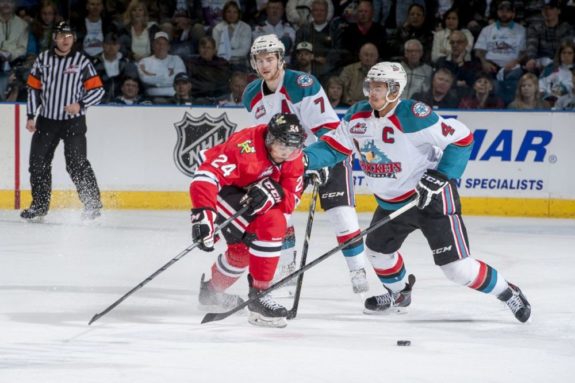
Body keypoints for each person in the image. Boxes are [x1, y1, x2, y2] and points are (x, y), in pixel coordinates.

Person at [303, 61, 531, 323]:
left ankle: (508, 292)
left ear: (395, 89)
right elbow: (333, 147)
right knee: (377, 250)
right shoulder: (357, 116)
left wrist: (442, 175)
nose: (374, 93)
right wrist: (304, 161)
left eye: (381, 87)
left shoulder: (414, 115)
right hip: (392, 203)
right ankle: (400, 293)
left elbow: (462, 138)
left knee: (457, 270)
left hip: (431, 199)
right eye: (371, 87)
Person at [239, 34, 370, 295]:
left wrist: (318, 159)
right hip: (289, 160)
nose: (265, 65)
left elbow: (331, 131)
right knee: (279, 213)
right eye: (259, 60)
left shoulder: (302, 84)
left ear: (280, 59)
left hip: (328, 153)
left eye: (270, 59)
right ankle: (286, 269)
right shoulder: (251, 95)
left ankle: (358, 269)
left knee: (341, 216)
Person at [190, 113, 306, 328]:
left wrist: (276, 192)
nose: (287, 152)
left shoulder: (293, 156)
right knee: (273, 223)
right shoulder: (245, 148)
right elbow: (206, 176)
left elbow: (292, 199)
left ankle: (210, 293)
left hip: (247, 192)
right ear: (270, 139)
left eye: (293, 147)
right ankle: (260, 296)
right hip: (225, 189)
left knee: (241, 254)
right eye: (282, 145)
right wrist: (204, 215)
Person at [22, 21, 105, 221]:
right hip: (47, 121)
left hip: (73, 122)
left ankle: (92, 204)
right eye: (61, 35)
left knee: (76, 163)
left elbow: (98, 91)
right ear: (54, 38)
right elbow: (34, 88)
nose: (65, 40)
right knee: (38, 164)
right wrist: (31, 115)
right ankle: (39, 206)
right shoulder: (43, 59)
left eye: (69, 36)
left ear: (74, 39)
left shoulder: (82, 61)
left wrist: (81, 104)